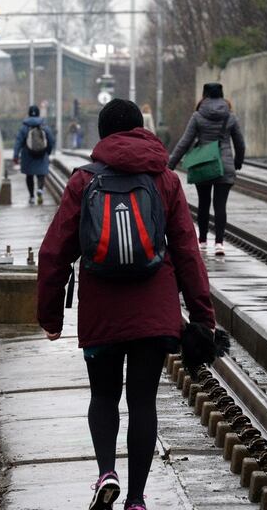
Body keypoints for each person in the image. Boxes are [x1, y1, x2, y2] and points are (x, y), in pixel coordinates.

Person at [38, 99, 215, 510]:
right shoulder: (165, 179)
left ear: (102, 135)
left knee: (103, 396)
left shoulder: (84, 181)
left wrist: (50, 316)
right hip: (154, 314)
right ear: (142, 130)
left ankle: (106, 474)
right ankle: (136, 499)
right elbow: (188, 253)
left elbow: (54, 252)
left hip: (101, 310)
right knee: (142, 402)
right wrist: (203, 317)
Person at [167, 83, 245, 256]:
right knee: (220, 205)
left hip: (203, 164)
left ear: (204, 95)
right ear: (222, 95)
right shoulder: (230, 117)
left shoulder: (198, 116)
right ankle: (219, 244)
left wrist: (170, 165)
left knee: (203, 204)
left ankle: (202, 241)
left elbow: (185, 142)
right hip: (225, 165)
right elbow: (240, 143)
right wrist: (238, 161)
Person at [13, 105, 55, 205]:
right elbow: (51, 140)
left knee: (29, 175)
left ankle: (31, 196)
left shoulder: (24, 127)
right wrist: (48, 152)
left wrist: (15, 155)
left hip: (28, 156)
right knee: (41, 174)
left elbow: (18, 142)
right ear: (38, 113)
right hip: (42, 155)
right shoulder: (44, 126)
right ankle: (40, 189)